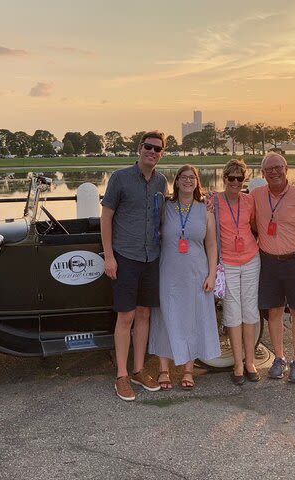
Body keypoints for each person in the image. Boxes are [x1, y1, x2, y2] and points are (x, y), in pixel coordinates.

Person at [101, 131, 168, 401]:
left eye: (158, 149)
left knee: (144, 315)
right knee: (125, 317)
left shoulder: (162, 181)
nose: (152, 152)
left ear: (161, 153)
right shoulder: (120, 178)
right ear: (139, 148)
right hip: (125, 257)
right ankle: (121, 375)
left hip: (151, 257)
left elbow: (167, 215)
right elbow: (106, 218)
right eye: (149, 147)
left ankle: (139, 370)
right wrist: (109, 256)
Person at [251, 152, 295, 383]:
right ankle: (279, 358)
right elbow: (239, 212)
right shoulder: (256, 195)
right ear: (262, 174)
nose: (274, 172)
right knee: (273, 311)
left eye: (277, 167)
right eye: (269, 169)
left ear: (286, 169)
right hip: (269, 261)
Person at [148, 164, 220, 390]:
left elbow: (211, 244)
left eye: (192, 178)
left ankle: (189, 369)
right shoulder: (166, 207)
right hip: (168, 272)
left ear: (197, 182)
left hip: (196, 273)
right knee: (165, 318)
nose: (188, 181)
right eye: (183, 177)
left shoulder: (205, 209)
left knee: (193, 319)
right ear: (176, 181)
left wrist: (212, 274)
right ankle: (163, 369)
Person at [213, 159, 261, 385]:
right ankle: (238, 363)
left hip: (251, 259)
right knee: (233, 312)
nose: (235, 182)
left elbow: (254, 225)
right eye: (230, 178)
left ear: (244, 179)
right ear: (224, 179)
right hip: (228, 263)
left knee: (250, 310)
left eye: (239, 178)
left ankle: (250, 361)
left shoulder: (250, 200)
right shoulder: (213, 201)